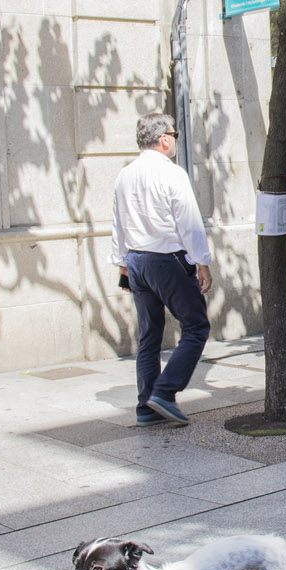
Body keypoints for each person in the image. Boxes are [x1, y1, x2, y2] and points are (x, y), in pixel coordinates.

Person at [111, 113, 213, 427]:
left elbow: (118, 223)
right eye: (174, 134)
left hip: (137, 261)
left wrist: (123, 263)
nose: (175, 140)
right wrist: (202, 261)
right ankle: (164, 393)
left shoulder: (124, 175)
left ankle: (146, 408)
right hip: (165, 259)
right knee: (196, 326)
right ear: (164, 138)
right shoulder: (172, 173)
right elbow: (189, 221)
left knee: (150, 334)